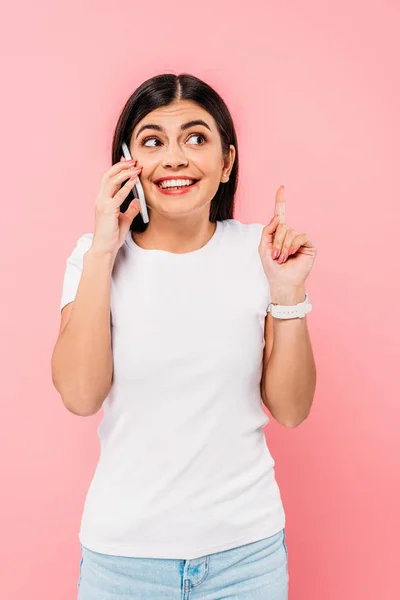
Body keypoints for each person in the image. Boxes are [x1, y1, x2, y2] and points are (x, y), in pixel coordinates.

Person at [51, 72, 317, 600]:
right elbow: (81, 396)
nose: (175, 158)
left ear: (226, 163)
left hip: (248, 558)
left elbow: (291, 410)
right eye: (152, 141)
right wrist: (104, 248)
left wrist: (288, 294)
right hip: (123, 564)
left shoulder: (259, 253)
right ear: (127, 161)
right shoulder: (94, 255)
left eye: (196, 138)